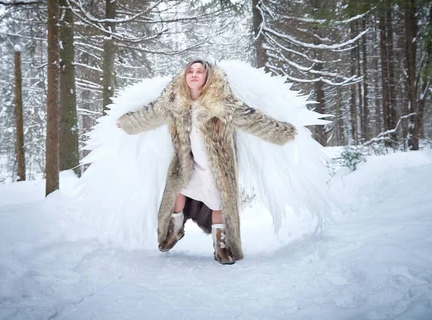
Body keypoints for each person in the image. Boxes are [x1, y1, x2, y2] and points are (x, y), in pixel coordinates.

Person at [116, 60, 297, 265]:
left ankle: (220, 246)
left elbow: (251, 119)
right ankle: (175, 230)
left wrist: (282, 132)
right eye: (190, 71)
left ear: (207, 76)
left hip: (217, 165)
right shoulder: (174, 100)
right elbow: (150, 114)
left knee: (218, 202)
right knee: (178, 190)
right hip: (188, 162)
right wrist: (126, 122)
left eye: (199, 71)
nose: (193, 74)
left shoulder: (221, 101)